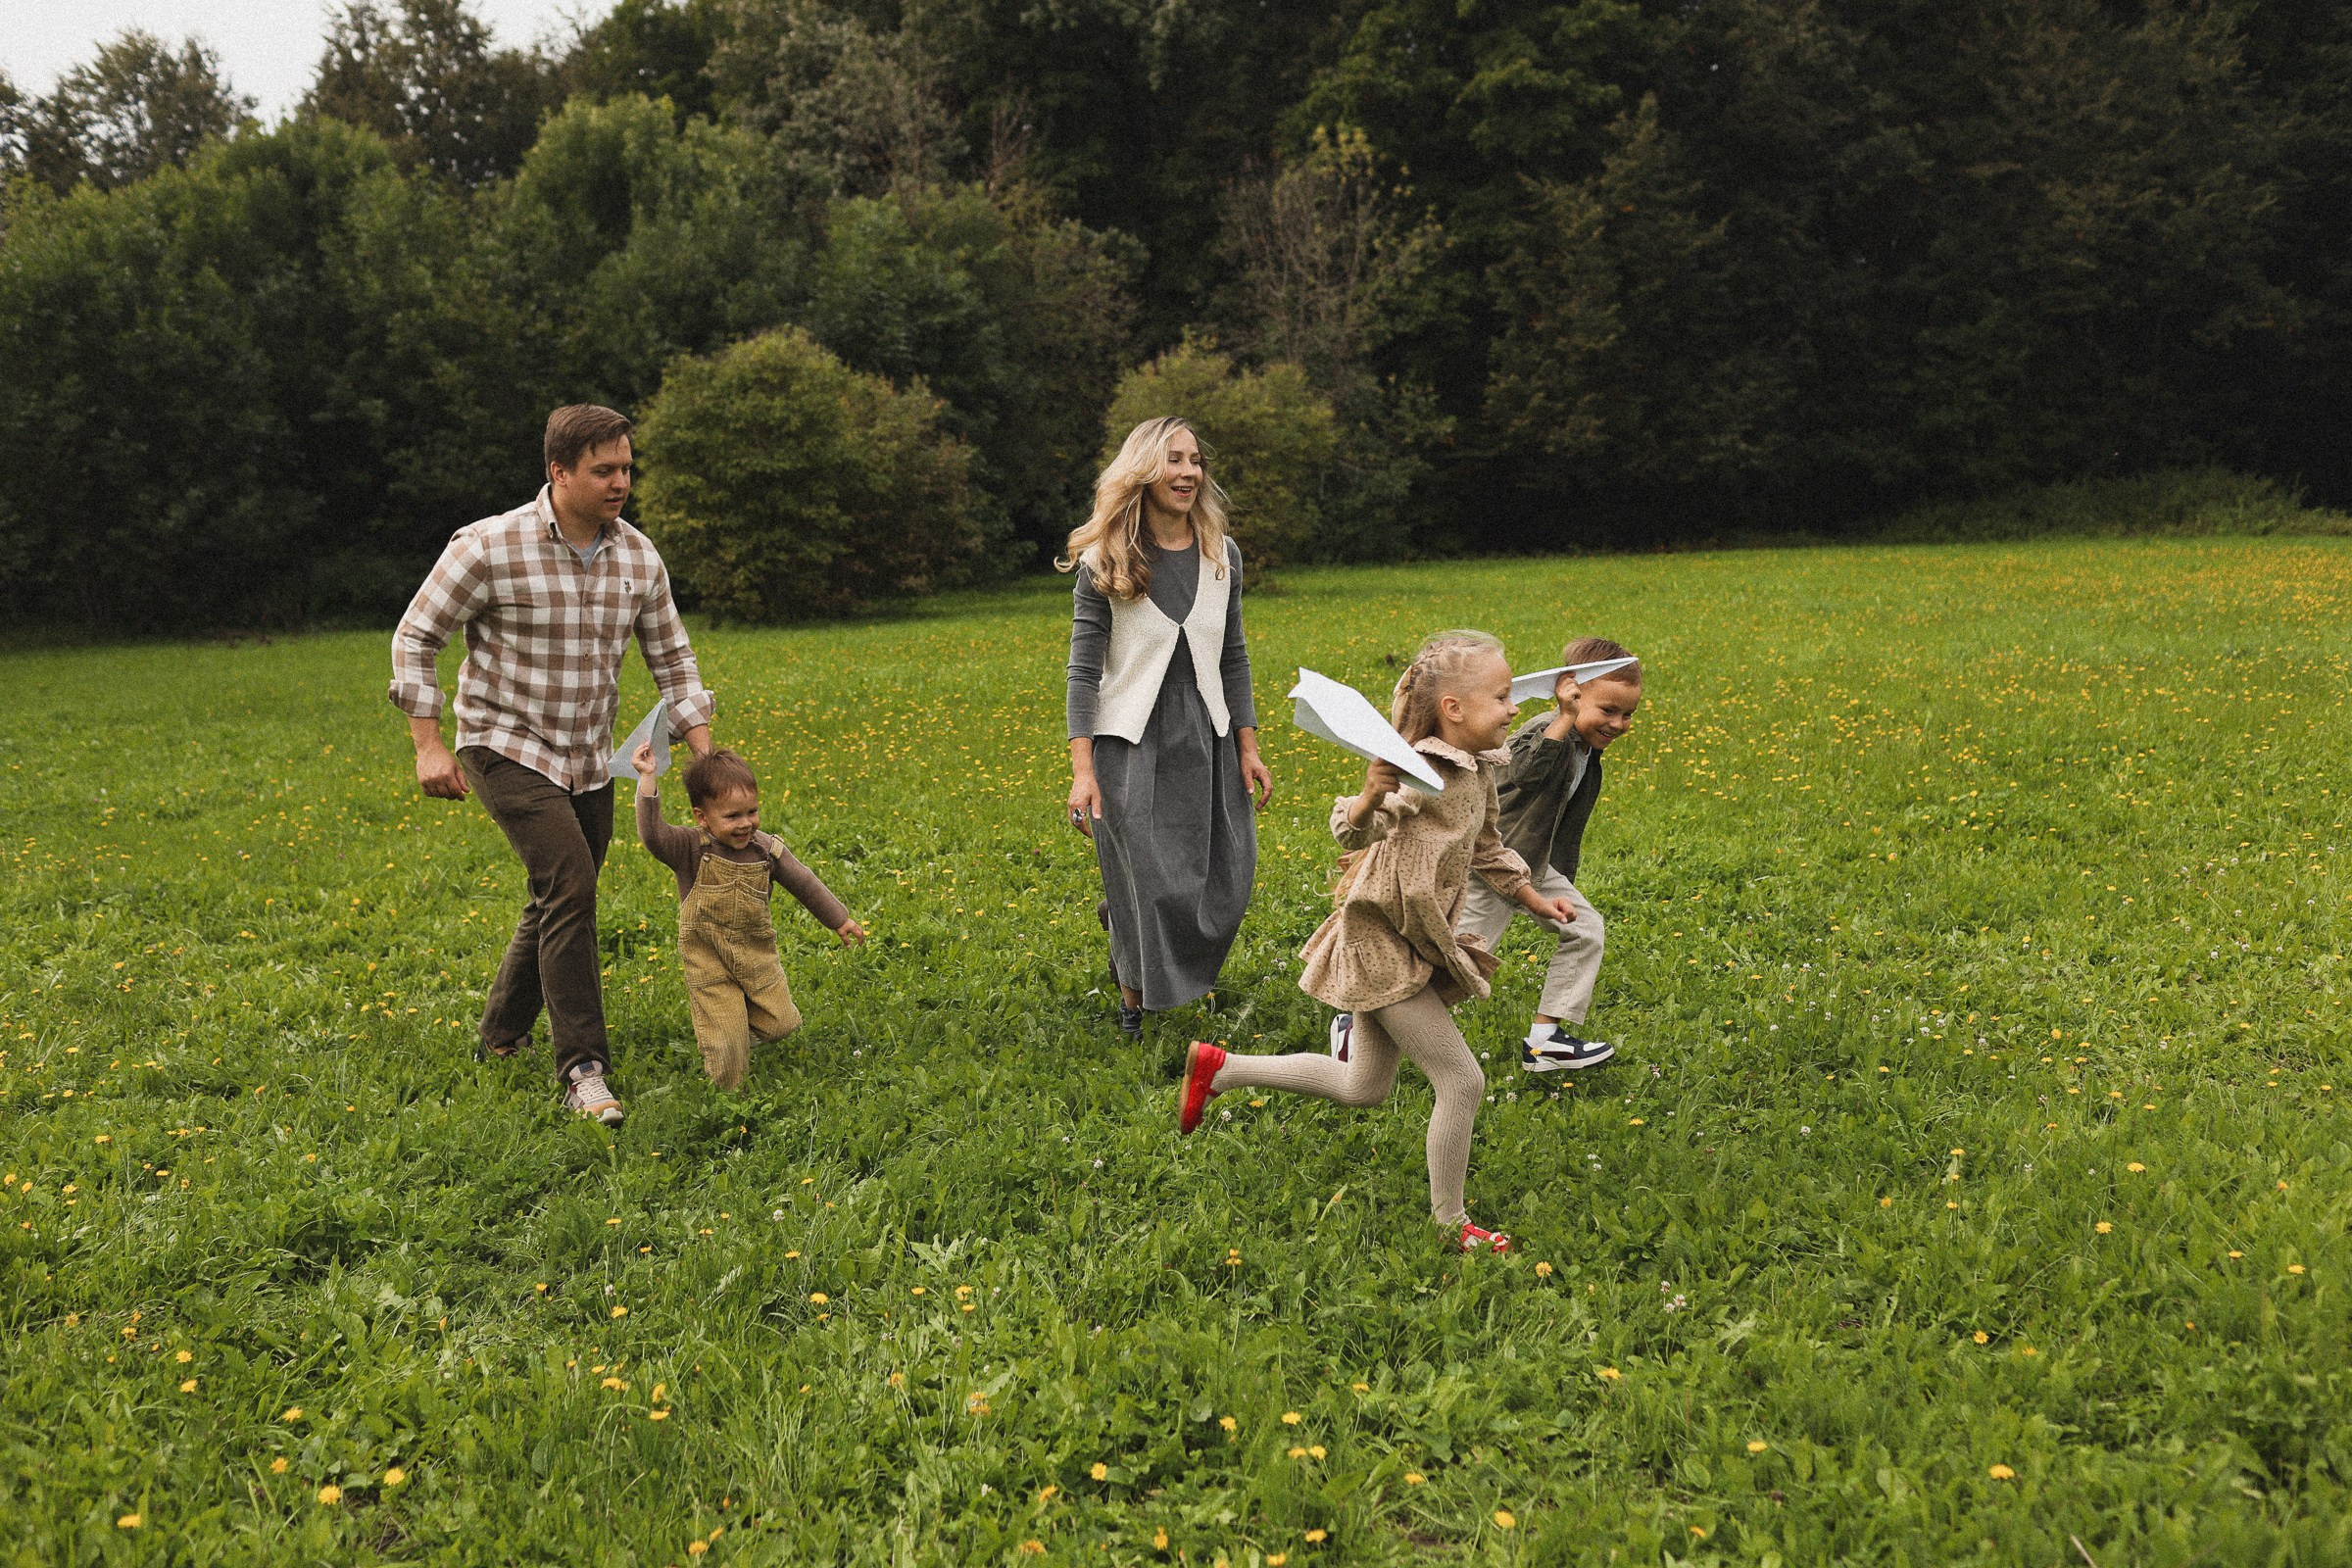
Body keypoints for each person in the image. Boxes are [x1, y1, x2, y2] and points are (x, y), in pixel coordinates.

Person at [1177, 631, 1578, 1254]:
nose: (1513, 707)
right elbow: (1351, 830)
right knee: (1462, 1081)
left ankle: (1222, 1070)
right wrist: (1369, 794)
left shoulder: (1480, 773)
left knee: (1364, 1087)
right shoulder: (1417, 772)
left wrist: (1532, 900)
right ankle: (1451, 1222)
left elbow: (1488, 849)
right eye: (1501, 697)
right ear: (1454, 709)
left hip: (1414, 940)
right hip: (1382, 940)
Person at [389, 404, 715, 1127]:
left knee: (559, 890)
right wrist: (428, 745)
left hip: (586, 753)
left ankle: (501, 1035)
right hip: (502, 743)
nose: (621, 482)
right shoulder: (488, 547)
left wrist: (705, 755)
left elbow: (674, 658)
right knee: (571, 880)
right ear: (558, 471)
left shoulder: (637, 556)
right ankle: (583, 1070)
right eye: (604, 470)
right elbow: (417, 638)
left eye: (627, 467)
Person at [1061, 416, 1272, 1039]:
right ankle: (1134, 999)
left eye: (1195, 461)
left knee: (1226, 876)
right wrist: (1082, 770)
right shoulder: (1107, 560)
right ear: (1144, 471)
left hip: (1205, 734)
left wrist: (1248, 744)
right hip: (1129, 741)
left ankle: (1130, 929)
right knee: (1146, 880)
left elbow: (1233, 654)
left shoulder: (1220, 554)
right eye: (1173, 460)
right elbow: (1083, 671)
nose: (1187, 473)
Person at [631, 742, 865, 1090]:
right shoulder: (690, 848)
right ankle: (730, 1101)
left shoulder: (766, 849)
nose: (746, 824)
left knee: (782, 1022)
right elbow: (653, 835)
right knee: (727, 1050)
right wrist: (647, 779)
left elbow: (803, 880)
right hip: (709, 961)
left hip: (756, 955)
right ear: (702, 817)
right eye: (732, 816)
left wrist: (838, 919)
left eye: (752, 812)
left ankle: (737, 1029)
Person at [1458, 635, 1642, 1073]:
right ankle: (1362, 1021)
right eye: (1608, 710)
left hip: (1534, 861)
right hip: (1495, 863)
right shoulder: (1547, 728)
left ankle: (1546, 1042)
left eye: (1628, 714)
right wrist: (1563, 716)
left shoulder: (1585, 745)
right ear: (1572, 693)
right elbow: (1525, 772)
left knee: (1585, 930)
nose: (1618, 724)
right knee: (1463, 962)